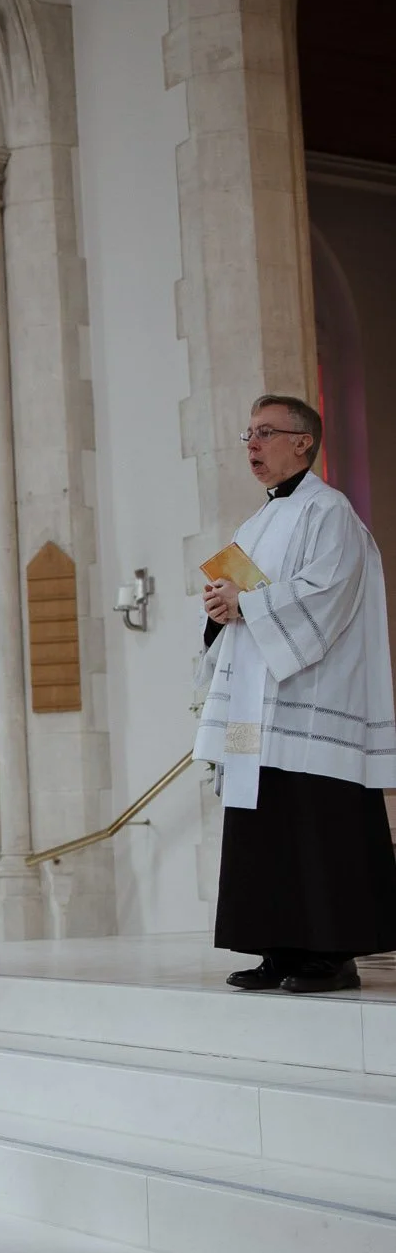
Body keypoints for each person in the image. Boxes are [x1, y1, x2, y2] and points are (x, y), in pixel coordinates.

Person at [194, 394, 396, 992]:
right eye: (248, 433)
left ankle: (330, 955)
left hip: (309, 696)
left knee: (316, 821)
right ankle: (277, 947)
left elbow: (325, 592)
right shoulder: (254, 524)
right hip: (258, 702)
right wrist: (217, 610)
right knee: (263, 821)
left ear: (303, 441)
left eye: (265, 432)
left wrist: (247, 603)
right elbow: (240, 603)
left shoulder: (329, 512)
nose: (252, 445)